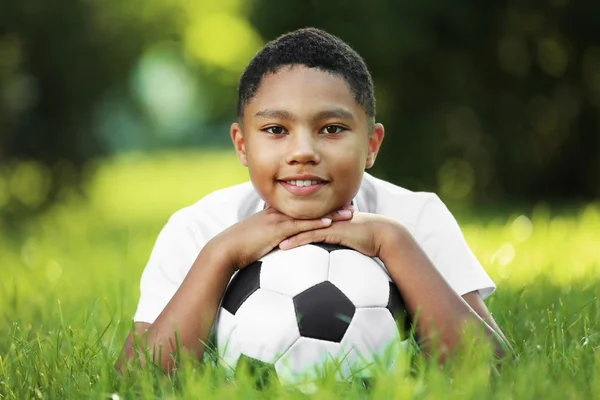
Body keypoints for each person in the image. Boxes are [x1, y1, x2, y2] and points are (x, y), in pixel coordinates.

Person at [115, 27, 512, 374]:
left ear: (371, 145)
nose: (303, 151)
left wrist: (393, 243)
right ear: (242, 145)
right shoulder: (199, 227)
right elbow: (138, 377)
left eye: (332, 128)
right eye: (275, 129)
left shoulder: (415, 216)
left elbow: (488, 366)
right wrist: (221, 255)